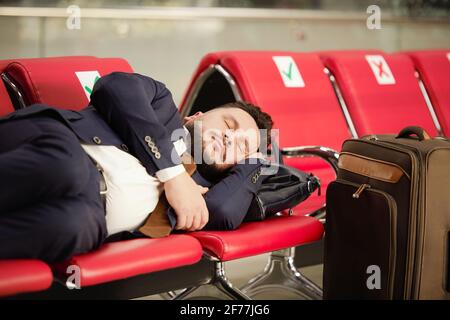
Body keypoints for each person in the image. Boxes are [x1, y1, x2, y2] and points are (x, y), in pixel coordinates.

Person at [0, 72, 273, 263]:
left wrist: (259, 159)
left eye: (242, 148)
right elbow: (114, 87)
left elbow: (224, 211)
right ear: (195, 115)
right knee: (69, 168)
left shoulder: (201, 195)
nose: (229, 139)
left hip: (89, 214)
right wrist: (173, 174)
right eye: (228, 125)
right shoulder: (162, 106)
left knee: (73, 226)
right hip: (60, 145)